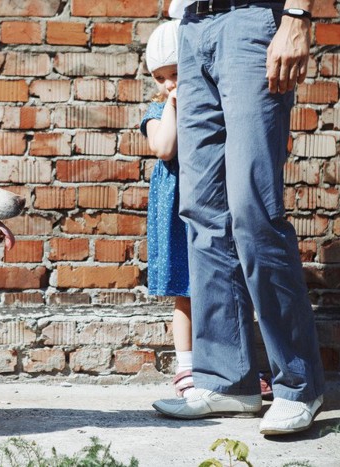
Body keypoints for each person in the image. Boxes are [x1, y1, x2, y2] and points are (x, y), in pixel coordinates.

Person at [152, 0, 325, 435]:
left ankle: (299, 384)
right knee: (203, 212)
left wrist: (297, 16)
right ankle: (227, 381)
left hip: (250, 18)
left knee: (254, 209)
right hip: (192, 26)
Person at [140, 20, 194, 397]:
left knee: (223, 284)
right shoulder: (156, 112)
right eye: (161, 77)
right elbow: (164, 148)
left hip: (209, 198)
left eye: (175, 73)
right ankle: (187, 367)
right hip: (175, 204)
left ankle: (230, 365)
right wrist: (173, 103)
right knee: (185, 288)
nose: (169, 82)